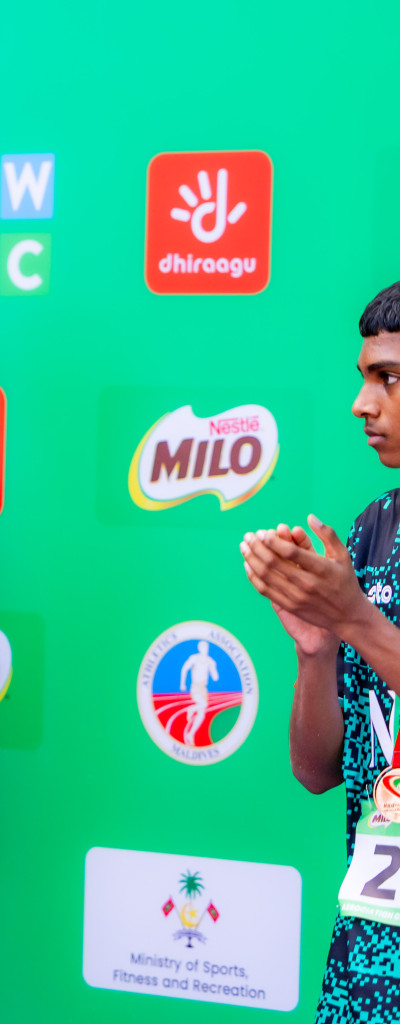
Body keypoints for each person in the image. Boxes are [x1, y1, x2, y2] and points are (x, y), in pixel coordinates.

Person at [241, 281, 400, 1024]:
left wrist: (354, 617)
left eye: (389, 378)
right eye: (364, 376)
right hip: (370, 949)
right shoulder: (373, 528)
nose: (362, 404)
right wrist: (316, 650)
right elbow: (316, 771)